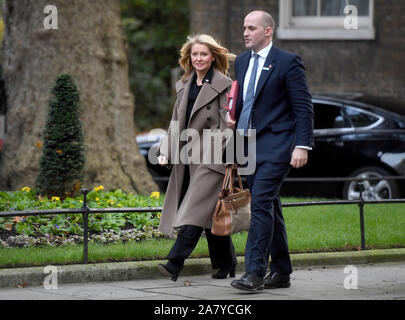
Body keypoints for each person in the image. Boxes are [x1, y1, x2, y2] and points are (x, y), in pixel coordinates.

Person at [228, 11, 314, 291]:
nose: (245, 32)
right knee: (271, 207)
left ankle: (253, 273)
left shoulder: (288, 62)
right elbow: (243, 102)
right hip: (247, 146)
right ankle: (281, 271)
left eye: (251, 28)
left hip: (277, 146)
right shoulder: (241, 62)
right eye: (244, 28)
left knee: (261, 203)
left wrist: (302, 145)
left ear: (268, 31)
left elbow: (302, 107)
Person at [157, 34, 237, 282]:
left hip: (212, 157)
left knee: (193, 209)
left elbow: (228, 125)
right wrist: (165, 150)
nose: (199, 58)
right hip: (187, 157)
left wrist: (223, 153)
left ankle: (174, 262)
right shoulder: (184, 84)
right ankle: (227, 263)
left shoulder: (224, 84)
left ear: (213, 56)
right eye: (195, 54)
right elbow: (175, 122)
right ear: (188, 57)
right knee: (208, 212)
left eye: (203, 54)